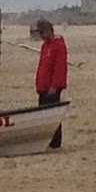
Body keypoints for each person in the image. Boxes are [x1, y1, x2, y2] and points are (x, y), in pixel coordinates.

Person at [35, 19, 68, 148]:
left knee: (53, 115)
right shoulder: (45, 46)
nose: (41, 36)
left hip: (52, 87)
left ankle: (55, 143)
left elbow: (60, 68)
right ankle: (46, 141)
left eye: (42, 32)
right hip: (43, 86)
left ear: (49, 31)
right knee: (43, 115)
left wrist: (55, 85)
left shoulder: (58, 46)